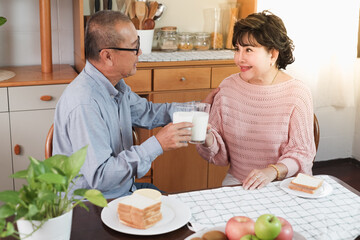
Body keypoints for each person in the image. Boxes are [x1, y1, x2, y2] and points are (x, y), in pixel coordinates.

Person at [53, 10, 215, 199]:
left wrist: (197, 108)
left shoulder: (115, 85)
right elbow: (101, 177)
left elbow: (147, 112)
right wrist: (158, 144)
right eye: (134, 47)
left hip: (123, 190)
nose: (140, 53)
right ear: (107, 56)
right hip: (93, 207)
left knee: (183, 209)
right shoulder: (85, 103)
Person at [197, 10, 316, 190]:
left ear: (273, 54)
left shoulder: (297, 93)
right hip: (239, 184)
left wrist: (272, 171)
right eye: (237, 49)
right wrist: (205, 136)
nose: (239, 58)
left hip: (284, 185)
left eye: (249, 50)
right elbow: (219, 156)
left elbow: (302, 153)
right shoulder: (228, 88)